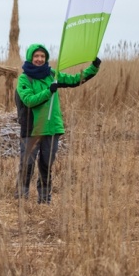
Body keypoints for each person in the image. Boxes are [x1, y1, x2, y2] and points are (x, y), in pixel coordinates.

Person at [15, 43, 101, 204]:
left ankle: (44, 200)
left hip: (52, 128)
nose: (40, 59)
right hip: (32, 129)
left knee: (46, 166)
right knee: (27, 165)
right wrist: (49, 91)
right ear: (30, 58)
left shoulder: (52, 75)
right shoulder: (24, 79)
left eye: (42, 56)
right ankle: (21, 199)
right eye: (36, 56)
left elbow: (75, 79)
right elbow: (29, 101)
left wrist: (93, 67)